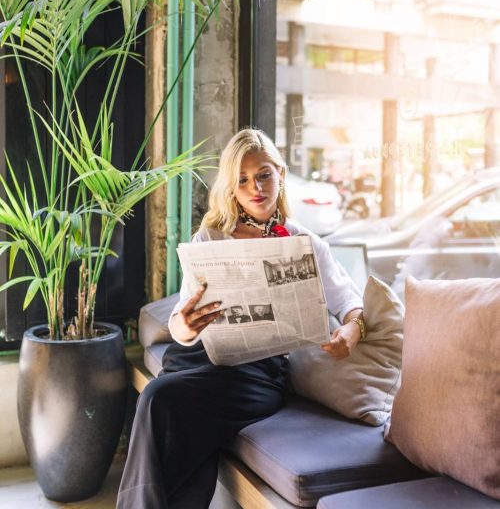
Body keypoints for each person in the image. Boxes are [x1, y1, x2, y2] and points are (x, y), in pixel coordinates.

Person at [117, 128, 366, 509]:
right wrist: (184, 326)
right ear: (231, 188)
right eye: (243, 180)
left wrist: (351, 330)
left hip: (257, 376)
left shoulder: (304, 242)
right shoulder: (209, 239)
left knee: (158, 398)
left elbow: (350, 302)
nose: (256, 188)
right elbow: (183, 322)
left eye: (264, 175)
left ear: (280, 174)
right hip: (200, 358)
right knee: (165, 406)